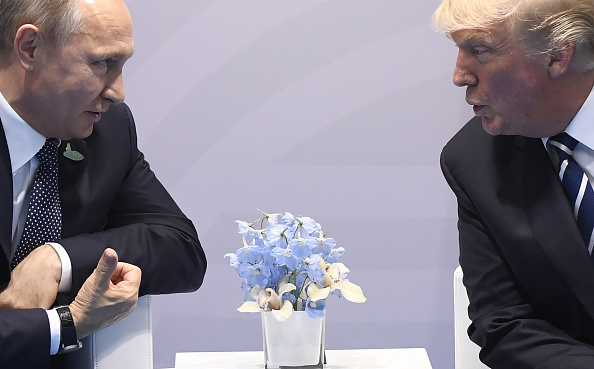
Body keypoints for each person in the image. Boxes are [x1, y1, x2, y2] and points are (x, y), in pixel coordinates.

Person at [0, 0, 207, 367]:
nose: (118, 92)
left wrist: (58, 259)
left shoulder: (106, 131)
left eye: (122, 65)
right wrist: (67, 324)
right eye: (102, 63)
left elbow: (182, 249)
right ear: (30, 48)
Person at [433, 0, 594, 368]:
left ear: (557, 55)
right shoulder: (472, 161)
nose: (459, 75)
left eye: (479, 50)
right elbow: (502, 323)